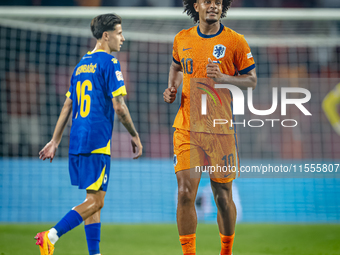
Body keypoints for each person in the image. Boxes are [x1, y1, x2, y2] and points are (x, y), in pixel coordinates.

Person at [35, 13, 143, 255]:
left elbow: (67, 105)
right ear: (106, 36)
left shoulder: (81, 64)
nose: (123, 38)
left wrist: (55, 141)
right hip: (97, 140)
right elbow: (119, 106)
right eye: (119, 33)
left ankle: (95, 253)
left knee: (93, 202)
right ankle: (50, 235)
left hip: (77, 140)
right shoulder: (110, 63)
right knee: (97, 201)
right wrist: (134, 134)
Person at [163, 1, 257, 255]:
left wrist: (224, 78)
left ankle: (226, 252)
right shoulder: (181, 39)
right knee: (184, 192)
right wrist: (172, 88)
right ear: (196, 5)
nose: (213, 5)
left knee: (223, 196)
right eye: (207, 1)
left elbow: (252, 80)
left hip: (220, 130)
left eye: (218, 1)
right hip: (187, 128)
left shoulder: (235, 41)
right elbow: (175, 66)